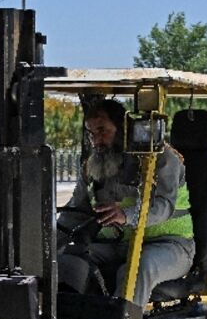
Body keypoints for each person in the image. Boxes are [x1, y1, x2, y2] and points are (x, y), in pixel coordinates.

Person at [57, 99, 193, 306]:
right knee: (69, 257)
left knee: (137, 267)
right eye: (91, 133)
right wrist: (49, 243)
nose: (96, 140)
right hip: (120, 245)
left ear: (123, 127)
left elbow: (164, 206)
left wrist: (127, 215)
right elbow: (75, 212)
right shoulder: (93, 167)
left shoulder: (161, 159)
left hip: (170, 246)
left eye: (102, 130)